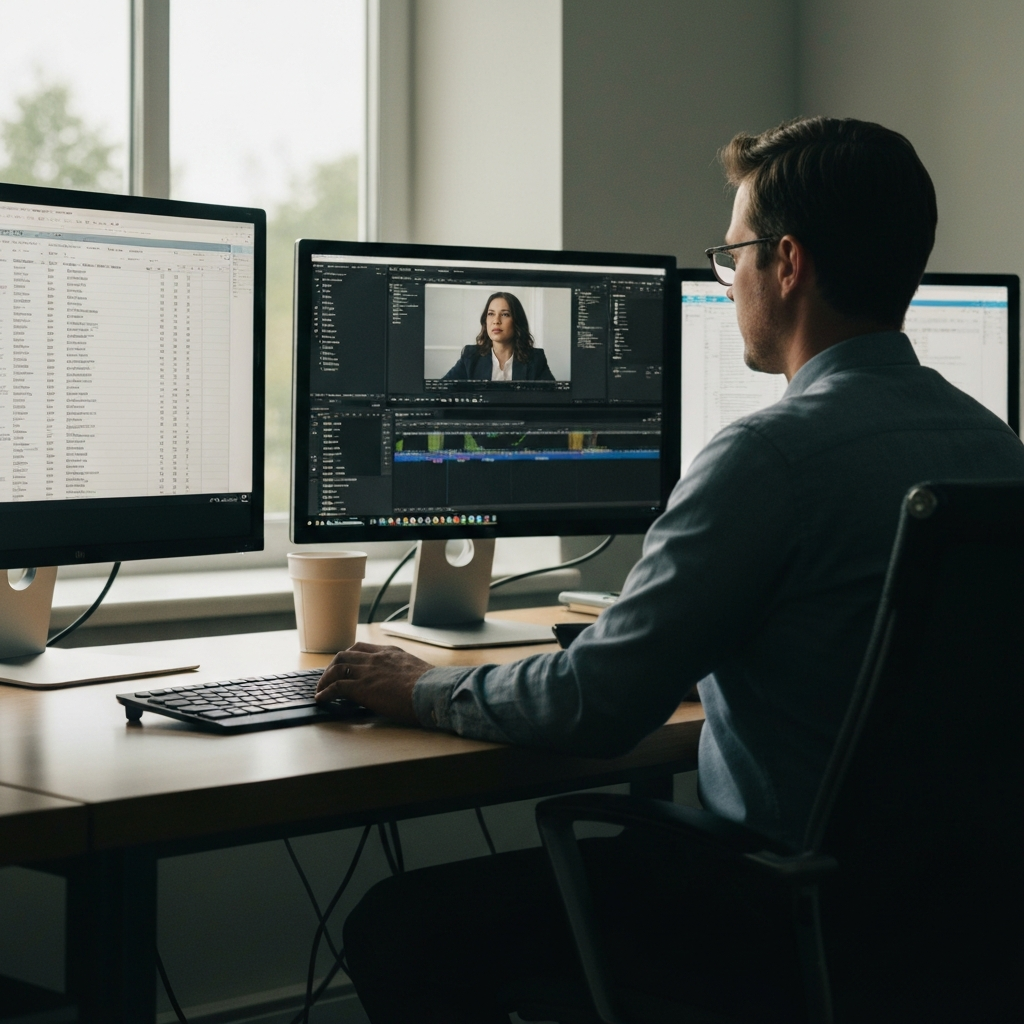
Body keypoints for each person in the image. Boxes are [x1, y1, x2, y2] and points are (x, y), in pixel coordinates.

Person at [317, 118, 1024, 1023]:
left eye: (732, 256)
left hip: (778, 916)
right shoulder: (996, 448)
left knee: (403, 925)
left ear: (788, 262)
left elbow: (597, 705)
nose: (728, 283)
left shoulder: (769, 456)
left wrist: (418, 688)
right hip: (948, 930)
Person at [442, 290, 556, 381]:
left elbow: (553, 399)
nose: (496, 321)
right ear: (485, 320)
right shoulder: (470, 356)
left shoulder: (535, 359)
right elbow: (440, 390)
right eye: (491, 314)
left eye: (505, 314)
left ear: (517, 321)